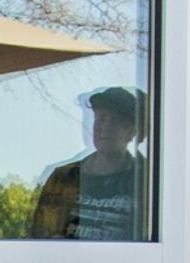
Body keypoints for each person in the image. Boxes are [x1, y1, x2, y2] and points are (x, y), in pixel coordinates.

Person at [32, 86, 148, 240]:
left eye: (115, 120)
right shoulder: (62, 179)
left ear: (132, 131)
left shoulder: (146, 181)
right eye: (101, 118)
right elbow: (39, 238)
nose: (105, 127)